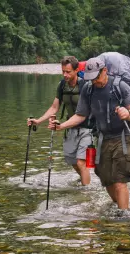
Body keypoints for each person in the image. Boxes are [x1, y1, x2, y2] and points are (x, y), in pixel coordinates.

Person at [48, 57, 130, 210]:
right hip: (102, 138)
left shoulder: (120, 86)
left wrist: (128, 113)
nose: (94, 81)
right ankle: (118, 207)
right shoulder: (88, 89)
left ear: (104, 71)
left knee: (120, 180)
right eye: (90, 78)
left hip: (123, 137)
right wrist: (61, 126)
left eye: (96, 77)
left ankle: (123, 218)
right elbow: (81, 115)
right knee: (106, 179)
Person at [28, 56, 93, 185]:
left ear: (76, 70)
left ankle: (86, 196)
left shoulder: (85, 86)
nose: (65, 74)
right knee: (72, 162)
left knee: (82, 163)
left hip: (89, 129)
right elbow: (54, 107)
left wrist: (61, 126)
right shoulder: (62, 85)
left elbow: (83, 114)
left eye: (68, 72)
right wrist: (38, 121)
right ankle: (87, 182)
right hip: (70, 128)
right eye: (63, 71)